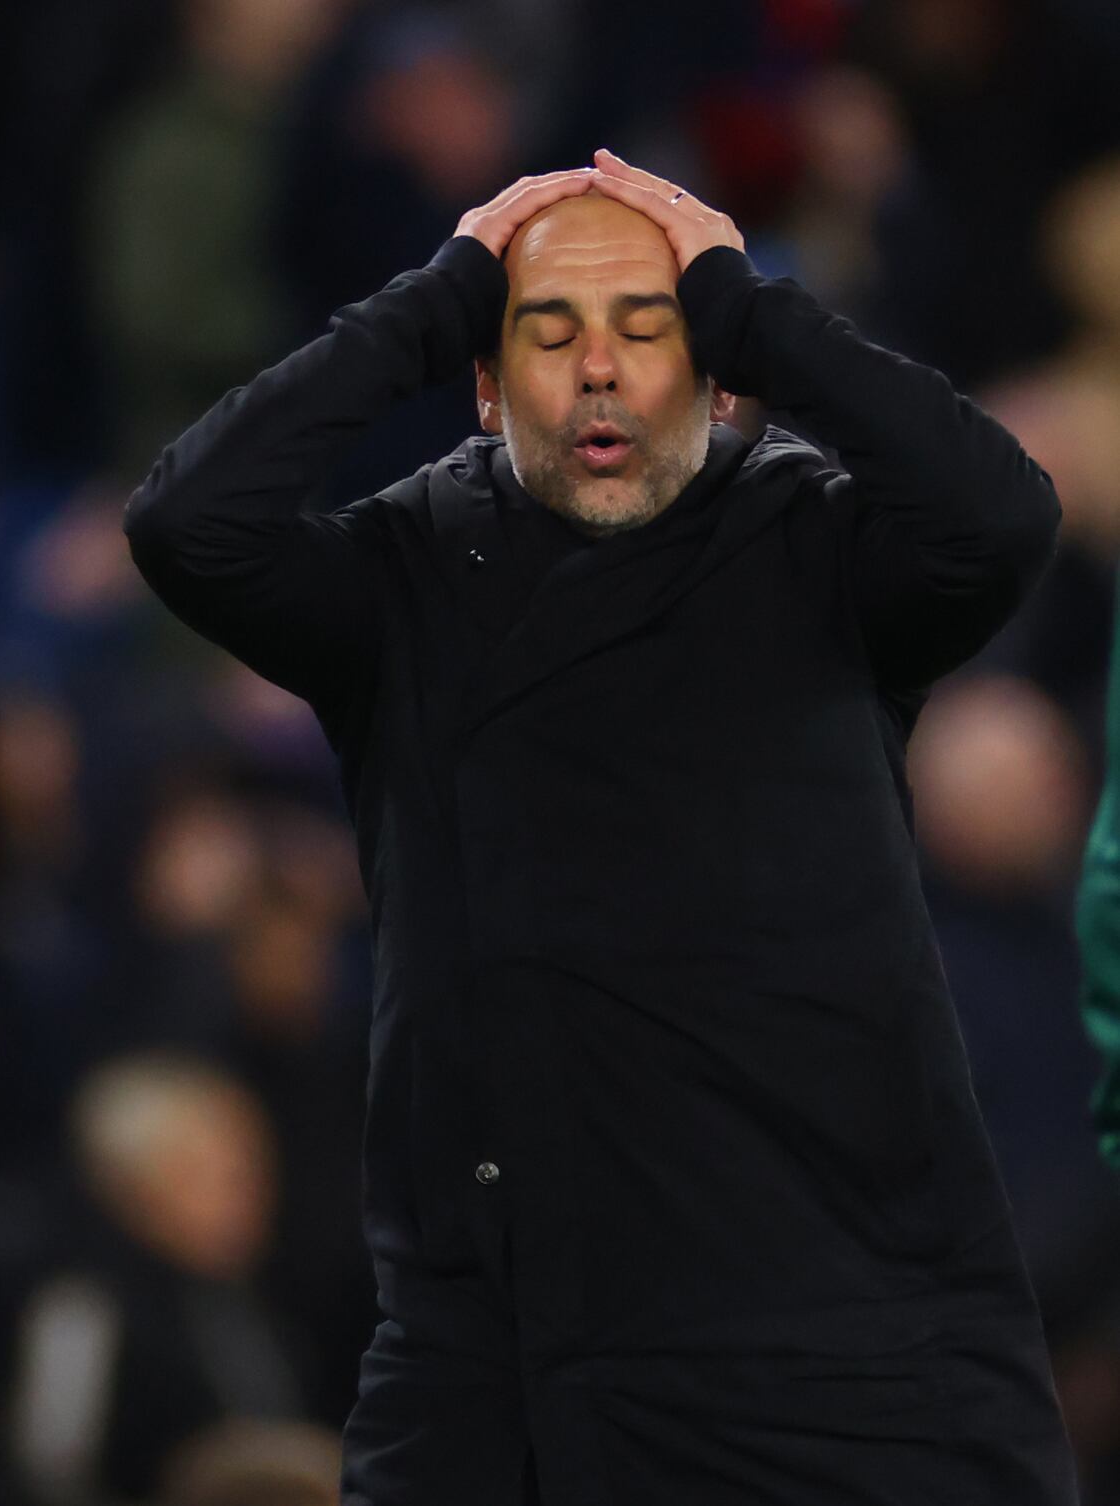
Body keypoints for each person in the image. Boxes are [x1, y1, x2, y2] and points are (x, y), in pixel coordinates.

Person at [124, 150, 1077, 1503]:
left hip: (837, 1346)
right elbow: (187, 525)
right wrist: (429, 302)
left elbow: (1002, 516)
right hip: (502, 1359)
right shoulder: (403, 577)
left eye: (648, 327)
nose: (598, 370)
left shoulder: (820, 548)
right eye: (546, 331)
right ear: (484, 379)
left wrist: (755, 308)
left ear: (716, 373)